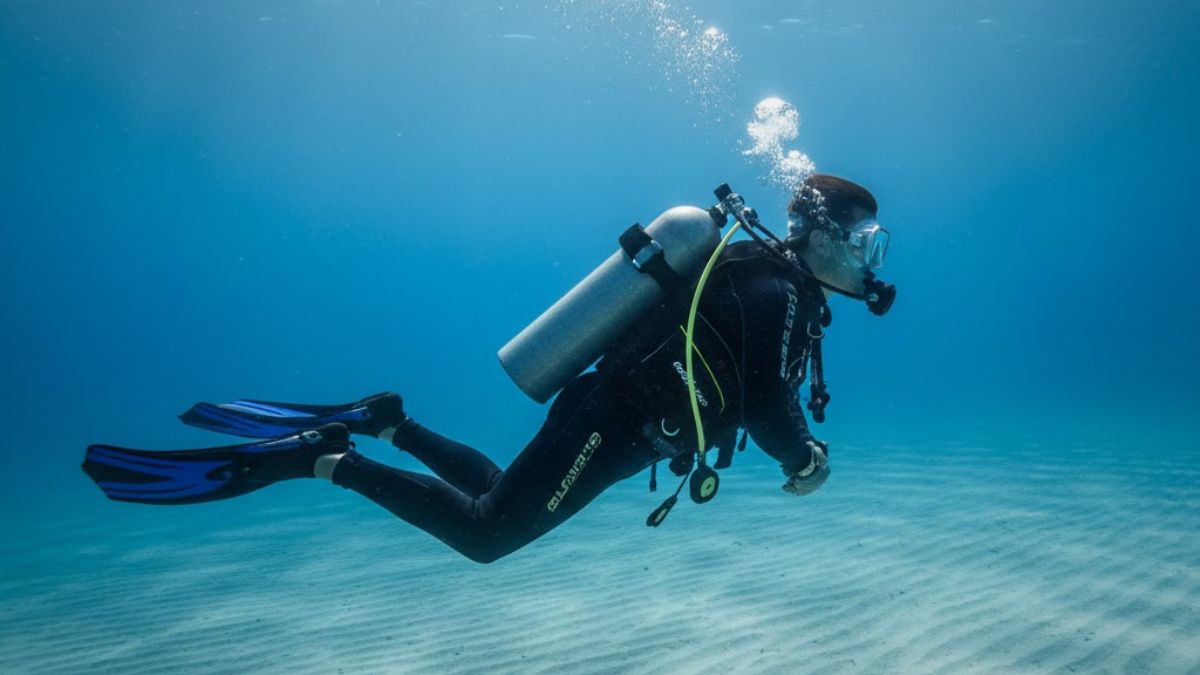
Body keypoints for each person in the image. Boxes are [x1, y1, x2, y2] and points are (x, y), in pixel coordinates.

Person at [83, 175, 895, 564]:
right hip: (616, 417)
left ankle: (391, 421)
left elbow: (754, 384)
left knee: (500, 494)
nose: (869, 261)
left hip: (624, 422)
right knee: (489, 533)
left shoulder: (766, 277)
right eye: (864, 244)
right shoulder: (777, 285)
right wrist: (805, 460)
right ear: (820, 235)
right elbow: (761, 397)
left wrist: (794, 442)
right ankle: (324, 456)